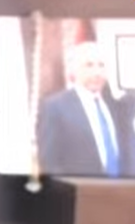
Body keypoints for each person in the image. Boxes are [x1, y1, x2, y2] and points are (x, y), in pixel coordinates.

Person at [36, 42, 127, 177]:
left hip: (122, 188)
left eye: (101, 65)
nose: (97, 72)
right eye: (89, 65)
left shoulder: (115, 106)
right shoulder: (55, 107)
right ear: (73, 71)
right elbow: (50, 165)